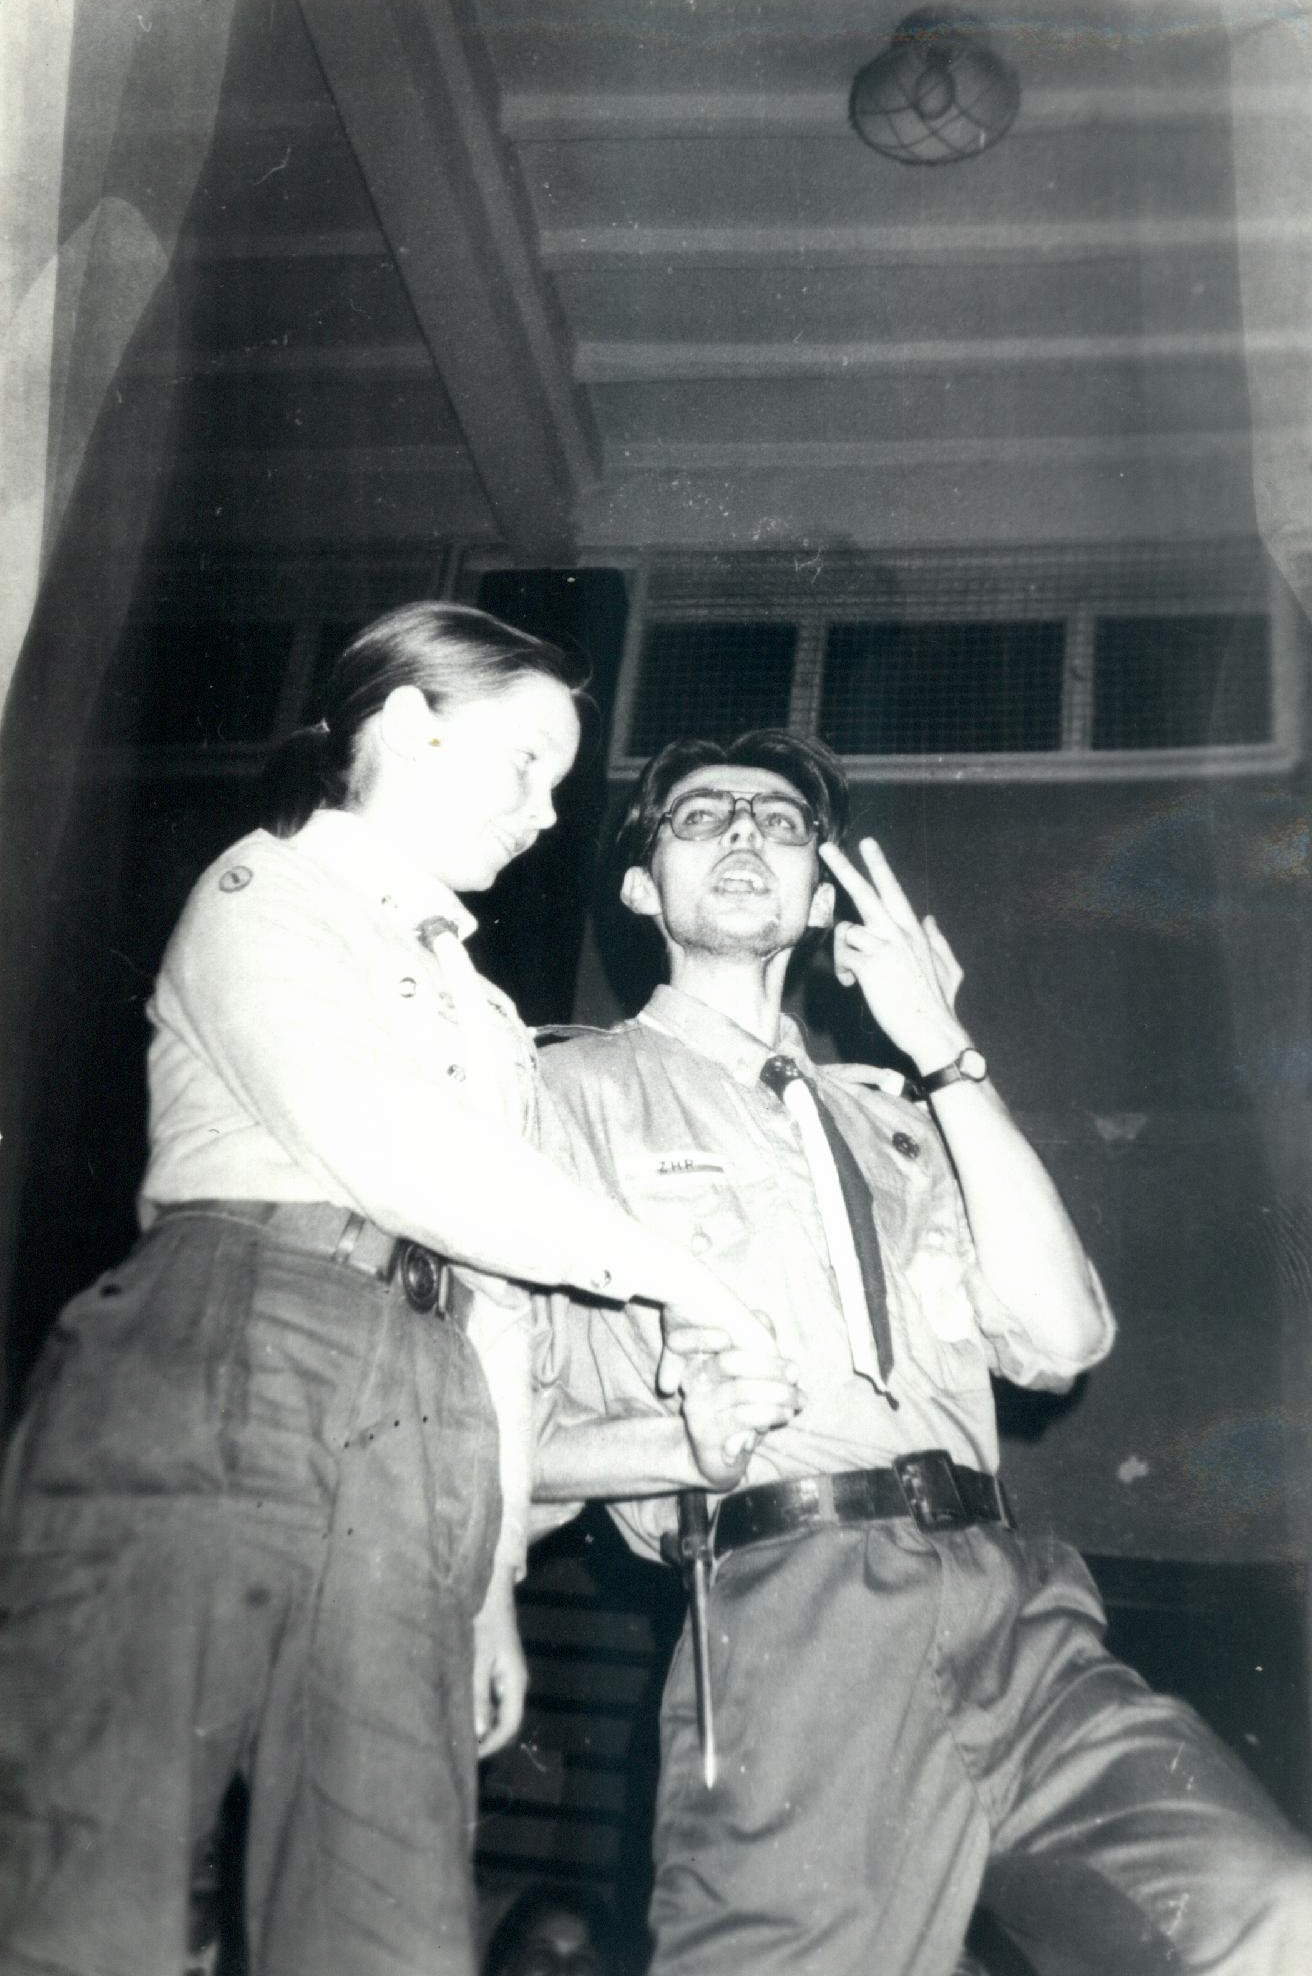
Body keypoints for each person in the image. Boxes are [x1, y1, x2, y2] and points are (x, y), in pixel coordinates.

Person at [0, 606, 787, 1976]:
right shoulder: (268, 888)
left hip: (421, 1418)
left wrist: (490, 1579)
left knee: (391, 1924)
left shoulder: (483, 1007)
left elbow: (500, 1300)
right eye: (528, 763)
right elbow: (393, 1152)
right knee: (96, 1878)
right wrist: (681, 1278)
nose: (547, 813)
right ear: (413, 724)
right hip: (230, 1335)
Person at [533, 728, 1312, 1976]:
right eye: (702, 816)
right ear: (639, 886)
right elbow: (487, 1442)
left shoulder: (894, 1114)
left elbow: (1062, 1337)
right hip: (790, 1607)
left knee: (1269, 1912)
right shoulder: (558, 1096)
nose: (745, 833)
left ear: (819, 897)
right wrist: (672, 1439)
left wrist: (942, 1049)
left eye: (781, 822)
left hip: (1012, 1600)